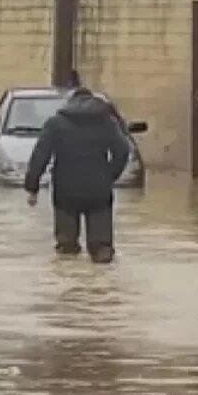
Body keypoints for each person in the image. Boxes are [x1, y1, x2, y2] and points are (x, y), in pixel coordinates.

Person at [24, 87, 132, 264]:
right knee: (102, 248)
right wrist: (109, 176)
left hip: (65, 191)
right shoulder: (107, 123)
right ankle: (101, 284)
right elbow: (123, 151)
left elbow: (40, 156)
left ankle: (68, 284)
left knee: (66, 249)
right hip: (98, 192)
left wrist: (32, 187)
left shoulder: (55, 123)